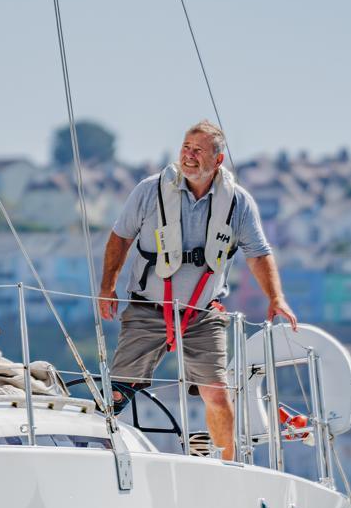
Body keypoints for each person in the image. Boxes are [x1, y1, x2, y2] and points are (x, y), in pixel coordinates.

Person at [97, 120, 296, 460]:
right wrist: (108, 287)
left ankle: (229, 465)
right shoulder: (149, 191)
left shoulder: (238, 203)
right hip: (148, 307)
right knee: (117, 393)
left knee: (217, 393)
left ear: (218, 160)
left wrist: (276, 298)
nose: (189, 156)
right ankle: (100, 455)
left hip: (203, 313)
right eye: (186, 148)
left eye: (198, 151)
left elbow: (259, 254)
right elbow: (120, 238)